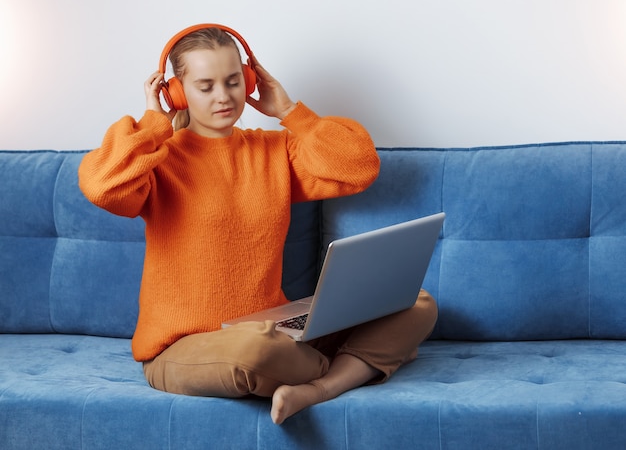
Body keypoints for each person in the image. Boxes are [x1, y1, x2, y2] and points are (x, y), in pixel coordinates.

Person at [78, 24, 438, 425]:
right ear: (175, 92)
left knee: (415, 302)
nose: (223, 97)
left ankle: (320, 387)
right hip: (187, 348)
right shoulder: (160, 161)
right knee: (256, 352)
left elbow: (359, 167)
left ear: (250, 80)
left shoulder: (273, 151)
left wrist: (288, 111)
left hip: (273, 327)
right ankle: (359, 362)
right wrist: (151, 123)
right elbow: (101, 185)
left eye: (234, 81)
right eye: (205, 86)